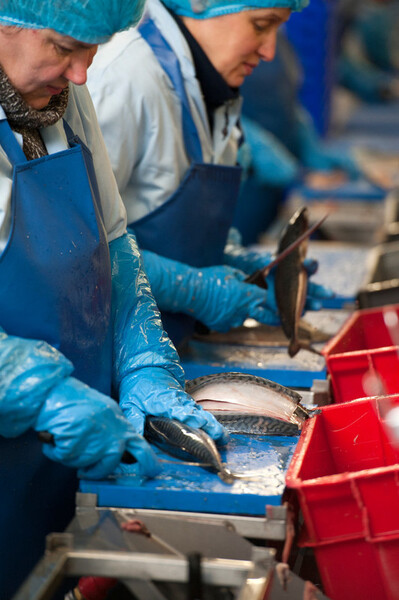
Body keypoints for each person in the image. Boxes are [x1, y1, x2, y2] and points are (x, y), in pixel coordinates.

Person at [0, 0, 225, 595]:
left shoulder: (67, 98)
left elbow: (115, 244)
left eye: (92, 49)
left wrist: (147, 362)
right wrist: (38, 391)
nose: (80, 74)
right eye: (61, 47)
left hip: (62, 465)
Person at [87, 0, 334, 349]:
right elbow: (80, 250)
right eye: (261, 25)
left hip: (171, 344)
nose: (269, 51)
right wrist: (191, 288)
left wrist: (238, 260)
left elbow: (182, 223)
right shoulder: (123, 78)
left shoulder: (209, 82)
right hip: (116, 352)